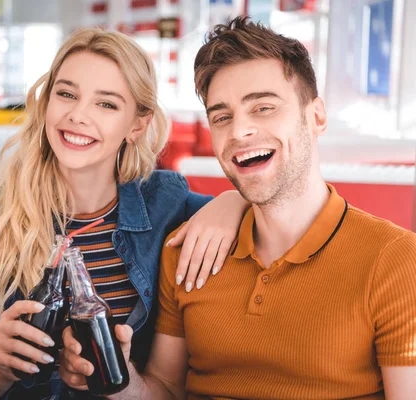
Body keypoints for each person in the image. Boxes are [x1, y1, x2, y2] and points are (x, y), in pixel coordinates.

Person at [60, 17, 416, 399]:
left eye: (263, 108)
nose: (239, 131)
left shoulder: (395, 260)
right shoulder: (187, 251)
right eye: (222, 117)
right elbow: (164, 389)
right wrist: (122, 377)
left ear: (316, 117)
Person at [0, 28, 249, 400]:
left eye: (106, 104)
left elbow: (264, 209)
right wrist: (0, 368)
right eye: (67, 94)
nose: (77, 116)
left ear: (137, 124)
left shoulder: (166, 204)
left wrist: (234, 201)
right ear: (47, 102)